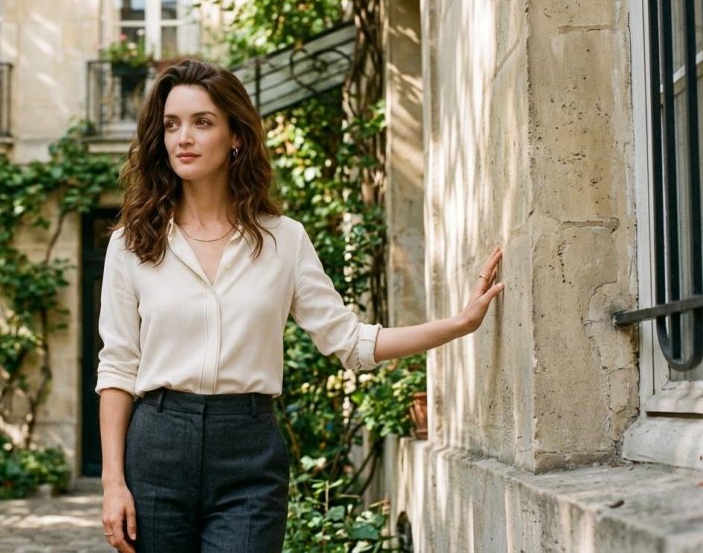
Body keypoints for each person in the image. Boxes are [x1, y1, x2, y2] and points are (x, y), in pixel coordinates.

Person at [95, 59, 504, 553]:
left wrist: (459, 324)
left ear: (236, 136)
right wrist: (113, 483)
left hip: (247, 453)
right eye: (171, 124)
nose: (184, 137)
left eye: (202, 122)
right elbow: (118, 367)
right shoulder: (132, 244)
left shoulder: (283, 241)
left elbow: (349, 342)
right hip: (157, 446)